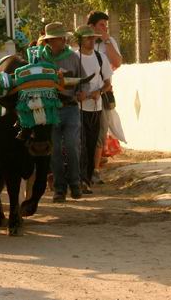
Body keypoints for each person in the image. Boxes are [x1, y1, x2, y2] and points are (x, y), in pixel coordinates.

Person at [37, 22, 85, 203]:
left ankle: (75, 184)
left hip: (71, 107)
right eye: (55, 39)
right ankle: (59, 189)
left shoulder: (73, 58)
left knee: (72, 145)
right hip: (50, 110)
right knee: (55, 149)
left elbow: (83, 81)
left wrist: (82, 92)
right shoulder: (40, 59)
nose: (60, 41)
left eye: (60, 38)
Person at [74, 26, 112, 194]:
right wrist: (77, 94)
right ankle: (79, 180)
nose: (91, 40)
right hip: (78, 108)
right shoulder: (74, 58)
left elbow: (107, 83)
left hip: (96, 108)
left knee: (91, 144)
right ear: (80, 40)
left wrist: (99, 92)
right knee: (79, 145)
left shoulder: (100, 57)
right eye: (88, 38)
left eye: (93, 38)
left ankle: (86, 180)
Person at [87, 11, 123, 183]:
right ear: (91, 27)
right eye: (101, 25)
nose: (104, 28)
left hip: (104, 92)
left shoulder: (108, 42)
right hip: (82, 95)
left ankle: (94, 170)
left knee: (100, 131)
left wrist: (107, 40)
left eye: (105, 25)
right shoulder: (81, 43)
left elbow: (117, 62)